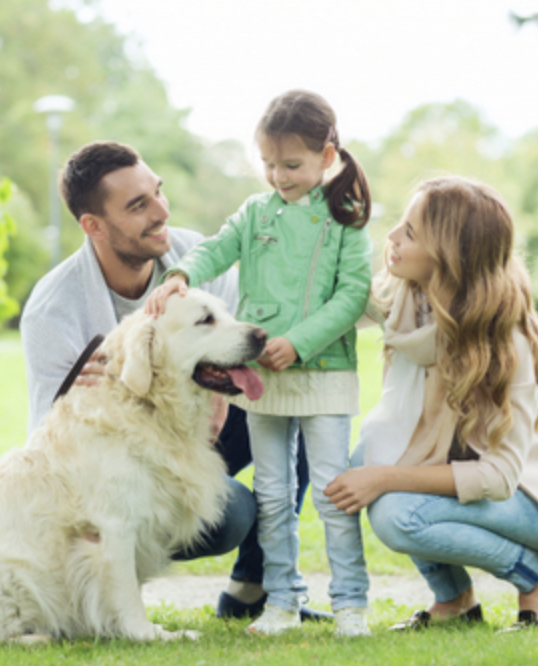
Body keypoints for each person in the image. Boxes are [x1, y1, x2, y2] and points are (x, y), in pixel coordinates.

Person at [19, 140, 327, 622]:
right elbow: (47, 442)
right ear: (93, 226)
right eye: (138, 205)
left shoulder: (193, 254)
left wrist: (218, 397)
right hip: (120, 458)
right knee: (232, 515)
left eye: (157, 192)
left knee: (302, 414)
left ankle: (253, 589)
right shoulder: (54, 309)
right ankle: (118, 588)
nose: (160, 211)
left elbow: (233, 341)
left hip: (200, 413)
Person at [323, 176, 538, 631]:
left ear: (449, 258)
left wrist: (383, 477)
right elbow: (334, 305)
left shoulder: (505, 339)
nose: (393, 239)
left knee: (397, 513)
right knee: (371, 456)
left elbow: (499, 477)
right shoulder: (408, 295)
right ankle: (456, 601)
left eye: (411, 233)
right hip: (466, 468)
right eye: (400, 224)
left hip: (534, 500)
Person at [146, 90, 374, 638]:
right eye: (269, 164)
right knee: (273, 494)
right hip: (265, 380)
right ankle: (281, 600)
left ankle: (350, 605)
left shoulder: (347, 220)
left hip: (323, 375)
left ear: (327, 155)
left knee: (330, 492)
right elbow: (216, 248)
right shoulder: (255, 212)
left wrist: (298, 343)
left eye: (291, 165)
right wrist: (180, 275)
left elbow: (351, 296)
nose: (278, 176)